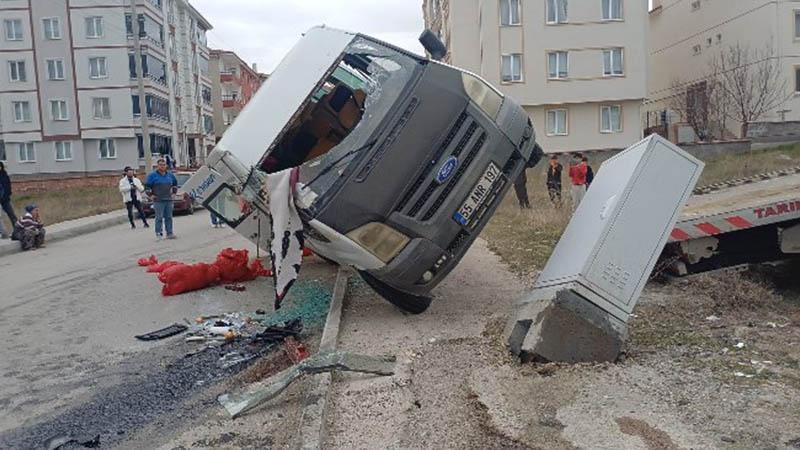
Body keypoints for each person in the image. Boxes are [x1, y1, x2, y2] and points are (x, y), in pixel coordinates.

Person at [145, 158, 178, 240]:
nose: (162, 166)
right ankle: (159, 233)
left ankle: (169, 233)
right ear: (157, 166)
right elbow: (147, 187)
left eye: (164, 165)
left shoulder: (170, 175)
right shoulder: (152, 176)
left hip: (168, 199)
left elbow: (175, 184)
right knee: (159, 217)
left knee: (169, 217)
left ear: (166, 165)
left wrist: (174, 193)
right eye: (160, 165)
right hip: (158, 200)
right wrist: (151, 195)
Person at [0, 162, 17, 234]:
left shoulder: (4, 175)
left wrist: (8, 194)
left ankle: (17, 230)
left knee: (12, 214)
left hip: (5, 199)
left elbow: (8, 185)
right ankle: (3, 233)